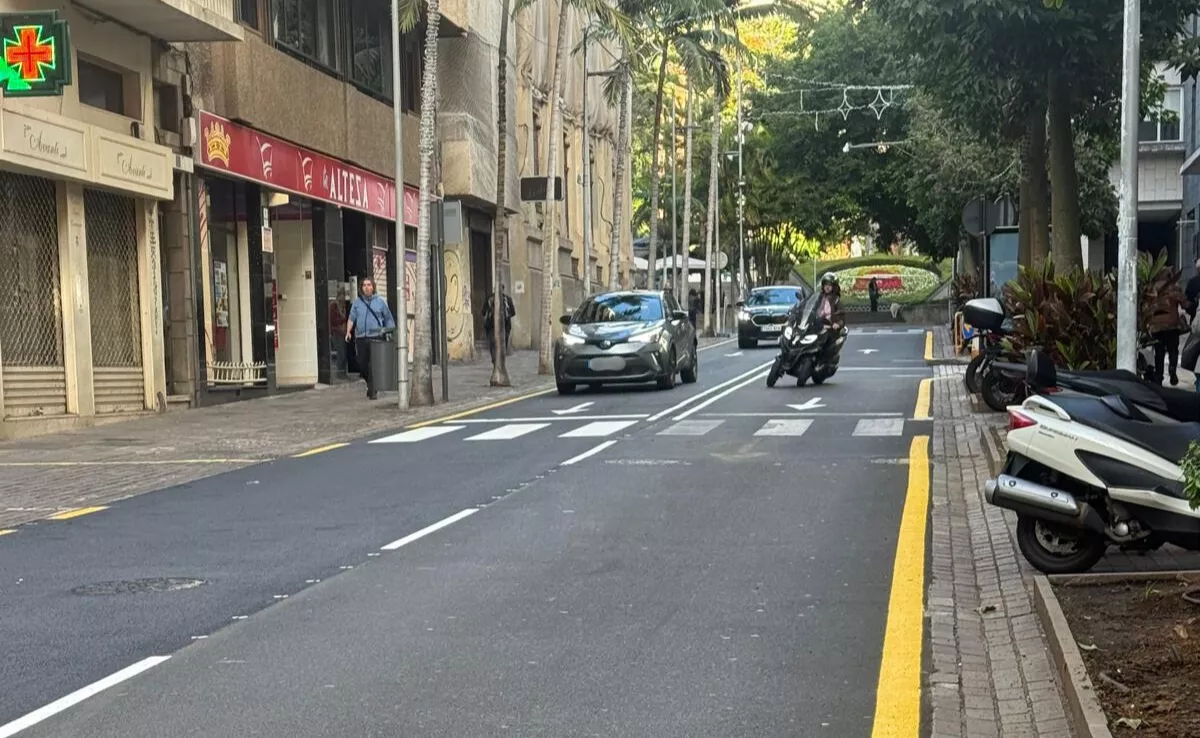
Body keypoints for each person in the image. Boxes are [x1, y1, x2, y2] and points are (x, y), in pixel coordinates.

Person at [345, 277, 396, 400]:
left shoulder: (380, 302)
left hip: (376, 337)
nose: (367, 287)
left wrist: (390, 331)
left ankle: (373, 390)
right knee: (362, 364)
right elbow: (352, 318)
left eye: (369, 285)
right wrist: (348, 332)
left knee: (373, 365)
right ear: (361, 288)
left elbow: (388, 318)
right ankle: (370, 384)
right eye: (364, 285)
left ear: (373, 287)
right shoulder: (357, 303)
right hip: (361, 337)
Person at [1149, 288, 1187, 386]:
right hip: (1172, 325)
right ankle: (1172, 369)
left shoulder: (1152, 286)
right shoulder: (1173, 286)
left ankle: (1158, 377)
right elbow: (1184, 303)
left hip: (1156, 325)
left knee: (1159, 352)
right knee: (1173, 349)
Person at [482, 286, 516, 364]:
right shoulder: (507, 299)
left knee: (493, 345)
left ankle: (495, 362)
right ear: (503, 290)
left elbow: (483, 312)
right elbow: (513, 313)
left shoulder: (489, 299)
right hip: (505, 326)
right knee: (503, 346)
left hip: (491, 326)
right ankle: (501, 363)